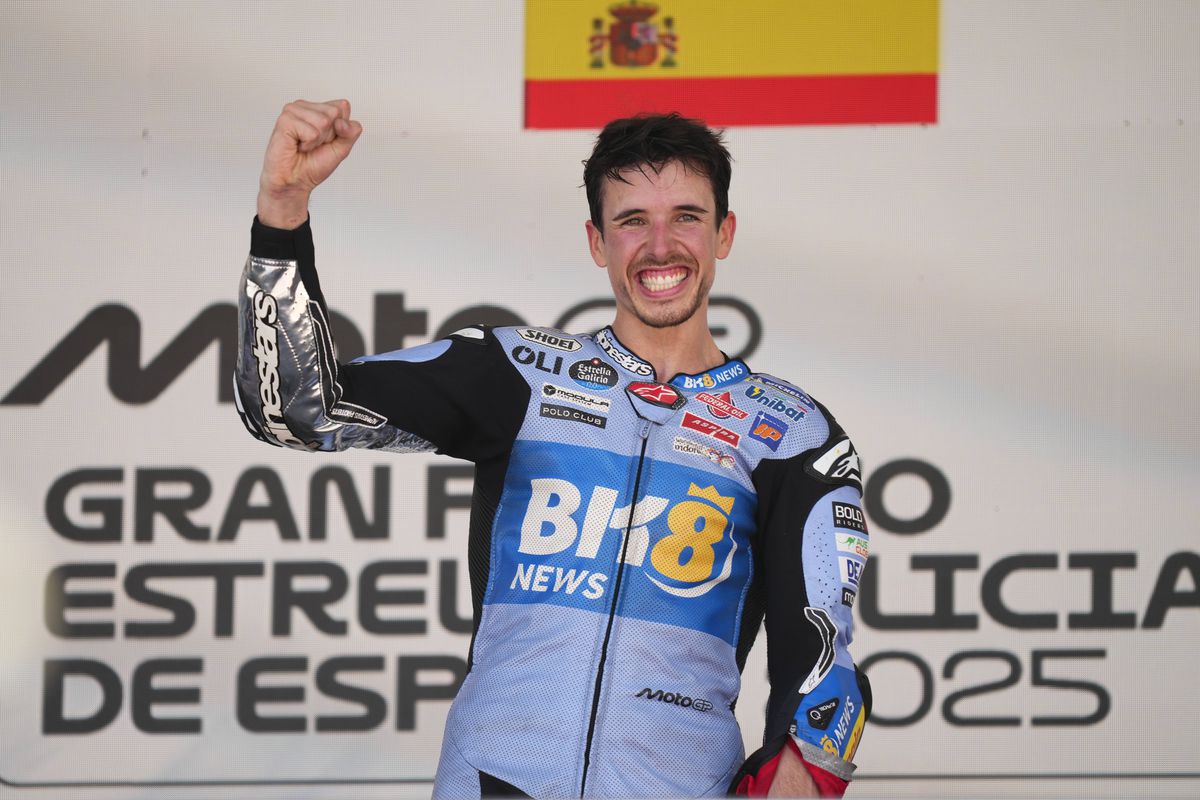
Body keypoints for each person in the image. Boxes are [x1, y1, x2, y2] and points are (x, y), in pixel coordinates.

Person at [236, 99, 871, 798]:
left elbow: (823, 665)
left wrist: (799, 777)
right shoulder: (519, 371)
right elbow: (295, 410)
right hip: (494, 780)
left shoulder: (794, 435)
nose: (661, 246)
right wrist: (282, 211)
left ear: (724, 232)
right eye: (633, 221)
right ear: (598, 242)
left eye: (686, 217)